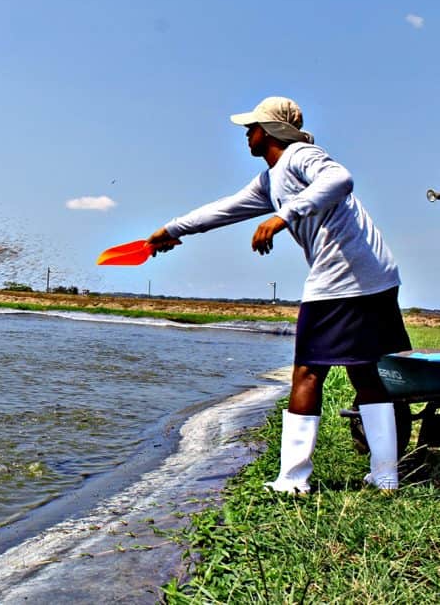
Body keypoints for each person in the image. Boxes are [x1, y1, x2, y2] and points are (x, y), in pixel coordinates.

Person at [147, 96, 410, 494]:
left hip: (341, 279)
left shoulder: (301, 155)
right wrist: (172, 230)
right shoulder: (271, 180)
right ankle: (386, 476)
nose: (245, 135)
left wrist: (283, 216)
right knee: (364, 371)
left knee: (307, 371)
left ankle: (292, 480)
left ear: (269, 131)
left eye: (250, 128)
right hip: (378, 277)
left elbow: (340, 179)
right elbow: (225, 209)